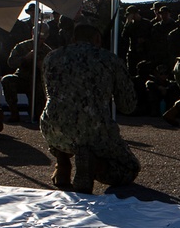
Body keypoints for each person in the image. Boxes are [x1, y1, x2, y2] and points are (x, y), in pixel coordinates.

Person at [39, 21, 139, 194]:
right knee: (129, 168)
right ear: (97, 39)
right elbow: (128, 106)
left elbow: (49, 95)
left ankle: (63, 164)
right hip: (94, 131)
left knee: (61, 114)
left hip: (53, 129)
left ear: (72, 39)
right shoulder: (109, 59)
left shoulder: (51, 57)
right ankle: (94, 165)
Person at [1, 23, 51, 122]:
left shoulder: (47, 51)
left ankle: (38, 113)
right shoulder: (21, 47)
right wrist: (25, 58)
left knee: (38, 110)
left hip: (38, 82)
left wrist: (43, 66)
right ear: (32, 33)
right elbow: (11, 62)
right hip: (22, 79)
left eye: (43, 36)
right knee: (7, 80)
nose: (40, 38)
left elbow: (52, 69)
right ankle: (14, 112)